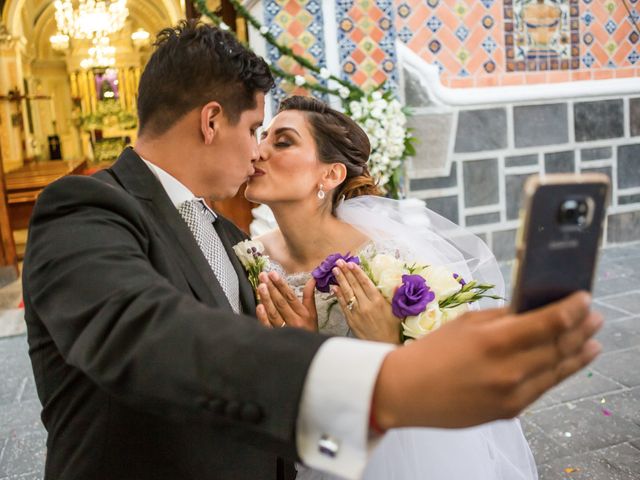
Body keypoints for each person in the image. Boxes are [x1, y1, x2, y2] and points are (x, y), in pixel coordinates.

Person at [22, 21, 602, 480]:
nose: (257, 154)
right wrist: (385, 385)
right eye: (256, 130)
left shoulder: (227, 237)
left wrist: (297, 344)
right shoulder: (85, 208)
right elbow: (143, 332)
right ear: (211, 121)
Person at [245, 95, 539, 479]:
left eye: (281, 141)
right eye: (260, 136)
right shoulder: (253, 257)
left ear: (330, 175)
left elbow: (448, 377)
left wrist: (385, 342)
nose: (258, 151)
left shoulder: (387, 256)